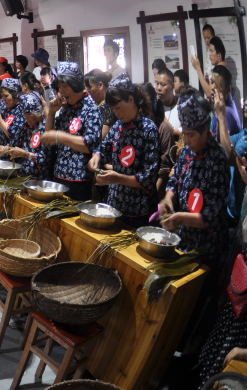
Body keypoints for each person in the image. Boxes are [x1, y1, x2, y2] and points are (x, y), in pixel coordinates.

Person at [159, 94, 229, 257]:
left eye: (191, 135)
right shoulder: (186, 152)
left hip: (207, 245)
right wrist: (168, 198)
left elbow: (213, 216)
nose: (187, 140)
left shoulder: (218, 160)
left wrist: (181, 218)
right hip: (184, 239)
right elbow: (175, 179)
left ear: (205, 130)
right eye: (185, 134)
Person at [89, 75, 159, 228]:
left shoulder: (148, 129)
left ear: (131, 100)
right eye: (113, 109)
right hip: (115, 203)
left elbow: (149, 177)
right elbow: (104, 148)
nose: (116, 113)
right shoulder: (118, 126)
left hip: (138, 208)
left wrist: (118, 178)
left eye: (118, 108)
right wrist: (97, 156)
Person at [42, 62, 103, 201]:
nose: (61, 92)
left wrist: (60, 136)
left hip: (79, 180)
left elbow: (90, 144)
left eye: (65, 87)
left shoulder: (90, 108)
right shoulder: (66, 108)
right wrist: (51, 113)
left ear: (76, 85)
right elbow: (48, 138)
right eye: (60, 87)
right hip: (59, 174)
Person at [0, 92, 53, 178]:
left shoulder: (46, 127)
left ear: (38, 112)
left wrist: (26, 154)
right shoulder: (25, 126)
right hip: (24, 175)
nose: (26, 117)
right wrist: (4, 149)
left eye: (29, 114)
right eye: (25, 114)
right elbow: (14, 144)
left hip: (40, 177)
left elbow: (46, 158)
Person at [0, 78, 27, 156]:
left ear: (15, 95)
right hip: (0, 152)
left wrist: (0, 121)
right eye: (2, 96)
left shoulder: (22, 110)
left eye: (6, 96)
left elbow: (15, 135)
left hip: (12, 156)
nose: (4, 99)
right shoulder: (4, 107)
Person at [85, 69, 114, 140]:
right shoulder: (96, 105)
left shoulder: (108, 107)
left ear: (100, 85)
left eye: (90, 87)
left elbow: (100, 137)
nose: (87, 91)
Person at [154, 69, 180, 133]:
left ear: (172, 86)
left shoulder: (181, 106)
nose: (159, 88)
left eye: (163, 84)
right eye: (157, 84)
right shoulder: (153, 107)